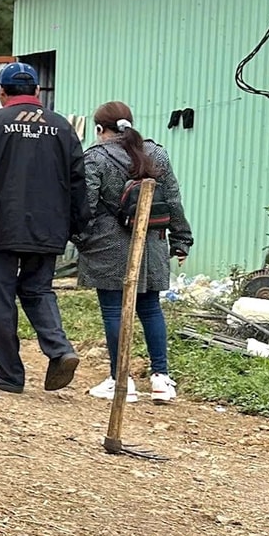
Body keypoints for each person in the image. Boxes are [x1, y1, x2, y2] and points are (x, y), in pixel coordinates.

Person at [0, 62, 86, 394]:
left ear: (1, 93)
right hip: (48, 227)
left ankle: (9, 373)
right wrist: (77, 226)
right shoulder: (62, 128)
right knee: (38, 289)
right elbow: (78, 180)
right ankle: (60, 350)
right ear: (36, 92)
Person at [77, 102, 191, 404]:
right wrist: (181, 239)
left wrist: (81, 239)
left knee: (114, 310)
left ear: (100, 129)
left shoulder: (95, 158)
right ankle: (161, 380)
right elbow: (173, 200)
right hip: (151, 243)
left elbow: (84, 206)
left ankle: (120, 380)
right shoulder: (157, 153)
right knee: (150, 308)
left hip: (108, 245)